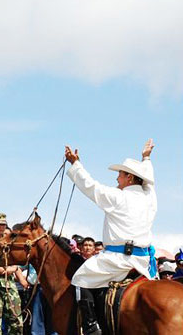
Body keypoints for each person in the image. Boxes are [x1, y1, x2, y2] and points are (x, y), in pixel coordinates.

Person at [65, 139, 157, 335]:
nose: (117, 179)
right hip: (143, 261)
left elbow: (91, 187)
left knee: (80, 277)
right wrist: (146, 158)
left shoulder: (118, 197)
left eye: (120, 174)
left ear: (130, 178)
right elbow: (149, 182)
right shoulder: (150, 198)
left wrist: (75, 164)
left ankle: (91, 329)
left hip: (117, 260)